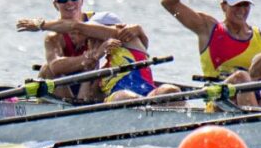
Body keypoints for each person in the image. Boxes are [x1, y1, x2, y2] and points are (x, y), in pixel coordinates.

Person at [160, 0, 261, 107]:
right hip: (219, 103)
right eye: (236, 5)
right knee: (240, 77)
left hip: (254, 104)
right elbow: (169, 3)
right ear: (223, 6)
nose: (241, 10)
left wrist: (258, 76)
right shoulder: (208, 28)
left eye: (245, 5)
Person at [19, 10, 180, 102]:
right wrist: (94, 60)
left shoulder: (130, 41)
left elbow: (77, 25)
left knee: (170, 90)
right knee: (124, 97)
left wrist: (41, 25)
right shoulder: (101, 71)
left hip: (149, 96)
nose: (92, 39)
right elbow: (83, 102)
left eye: (95, 35)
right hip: (122, 100)